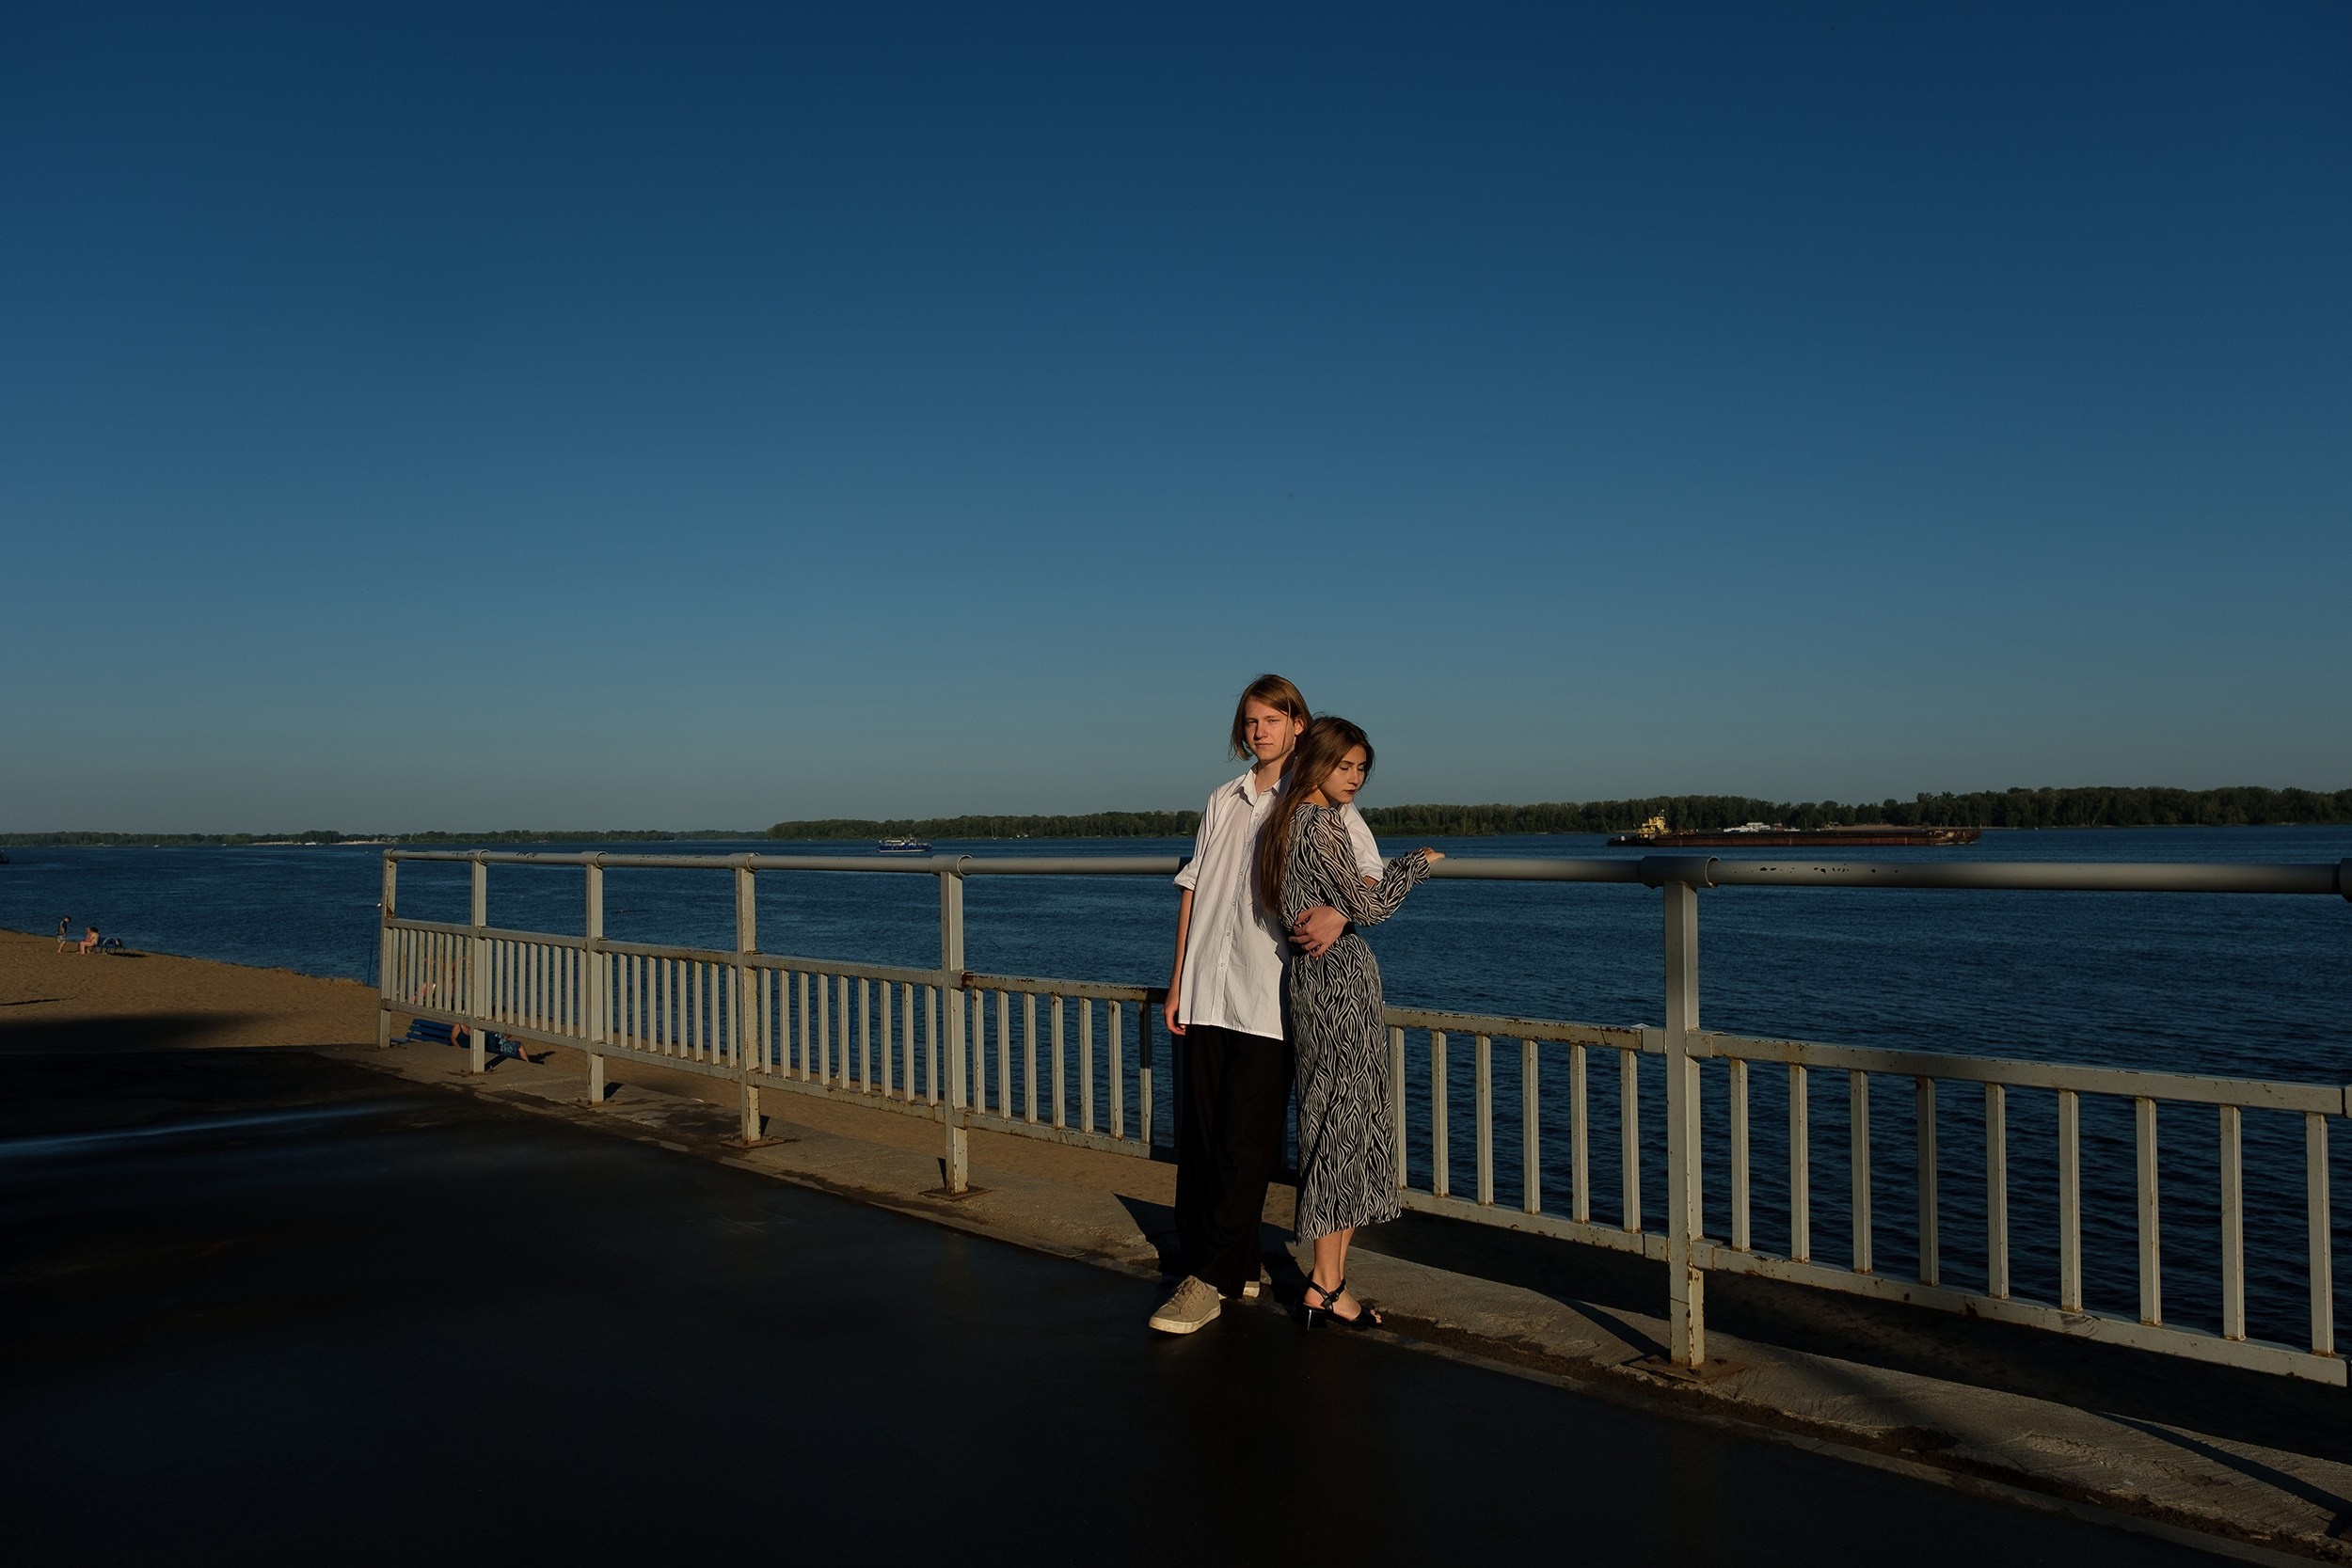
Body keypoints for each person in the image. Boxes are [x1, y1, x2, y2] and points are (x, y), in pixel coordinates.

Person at [1150, 674, 1377, 1336]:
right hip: (1206, 989)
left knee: (1247, 1141)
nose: (1259, 730)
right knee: (1204, 1137)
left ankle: (1209, 1283)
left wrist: (1340, 914)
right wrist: (1177, 980)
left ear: (1299, 724)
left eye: (1273, 719)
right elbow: (1192, 889)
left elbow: (1368, 871)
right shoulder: (1224, 798)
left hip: (1271, 993)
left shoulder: (1315, 799)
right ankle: (1236, 1262)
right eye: (1250, 720)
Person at [1256, 716, 1442, 1328]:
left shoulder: (1285, 822)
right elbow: (1374, 904)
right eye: (1345, 766)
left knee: (1336, 1125)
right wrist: (1415, 861)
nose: (1356, 778)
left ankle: (1328, 1282)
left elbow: (1337, 901)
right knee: (1344, 1128)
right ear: (1317, 763)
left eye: (1363, 767)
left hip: (1315, 982)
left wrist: (1339, 908)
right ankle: (1326, 1284)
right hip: (1340, 986)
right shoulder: (1320, 823)